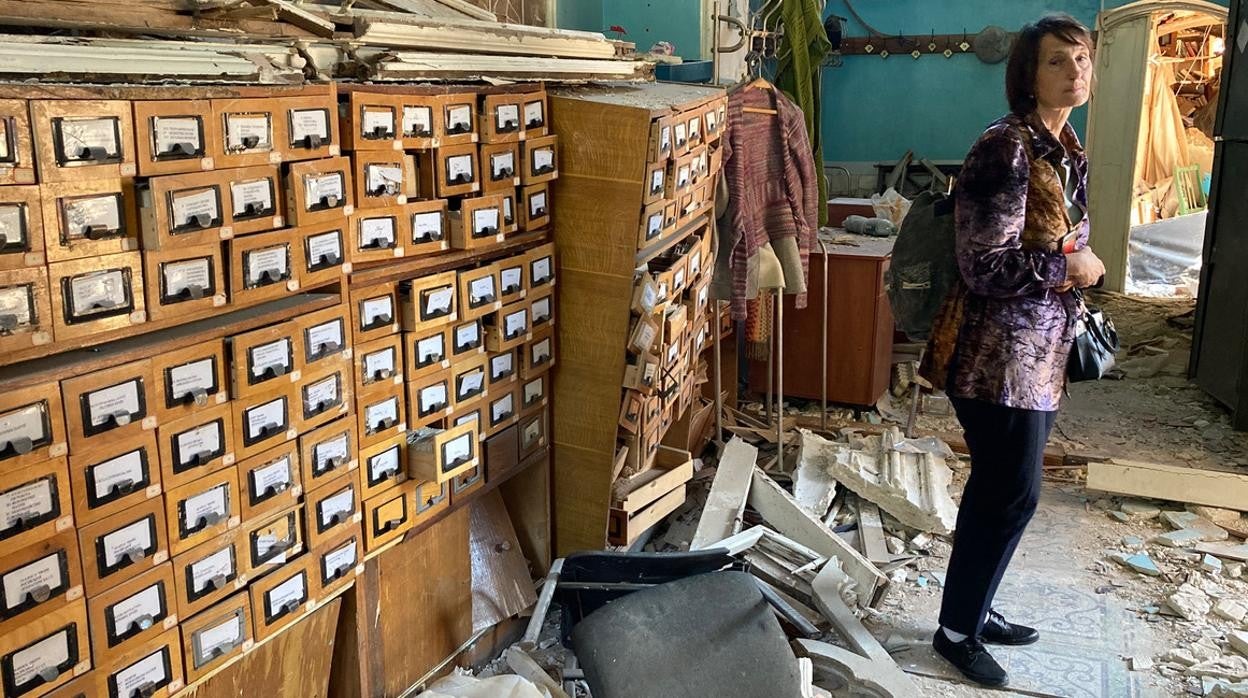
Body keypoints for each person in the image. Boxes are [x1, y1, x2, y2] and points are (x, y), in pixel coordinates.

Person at [917, 14, 1107, 688]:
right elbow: (984, 266)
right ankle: (957, 633)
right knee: (1011, 493)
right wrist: (1072, 268)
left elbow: (1052, 239)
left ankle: (974, 607)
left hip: (1038, 355)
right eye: (1058, 61)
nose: (1075, 71)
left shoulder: (1063, 145)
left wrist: (1073, 265)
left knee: (1004, 494)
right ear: (1026, 75)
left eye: (1082, 58)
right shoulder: (1006, 149)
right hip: (993, 360)